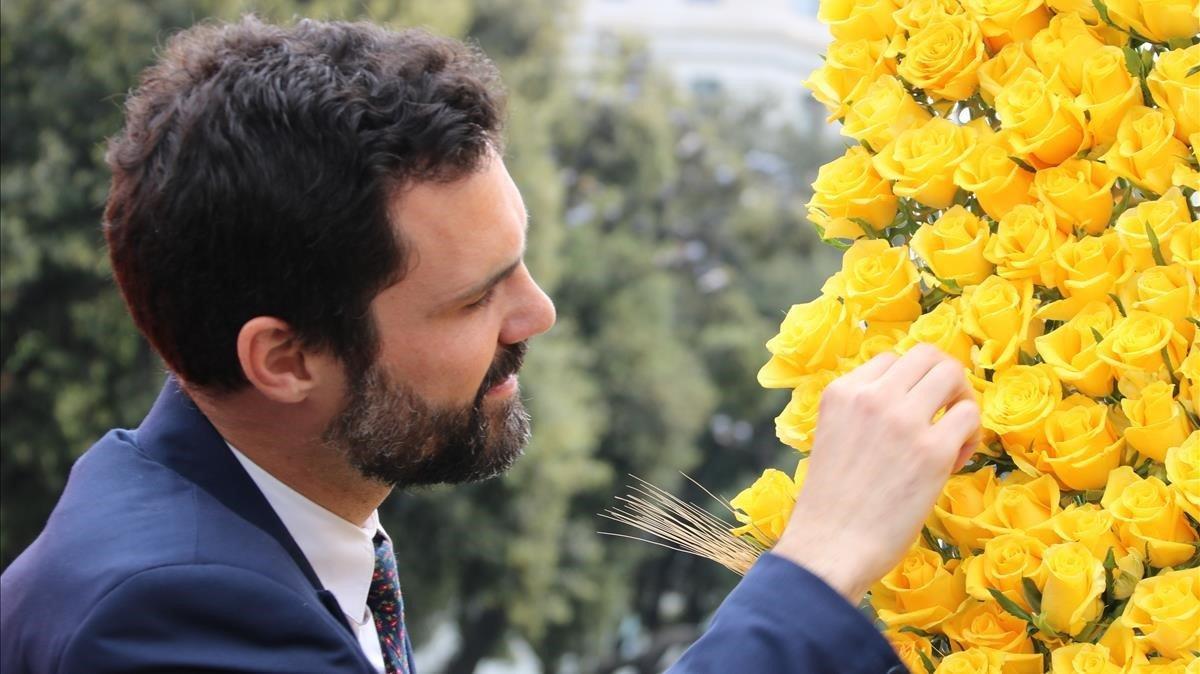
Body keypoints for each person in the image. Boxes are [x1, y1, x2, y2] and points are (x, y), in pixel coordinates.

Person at [0, 17, 980, 674]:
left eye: (520, 262)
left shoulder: (246, 523)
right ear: (286, 358)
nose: (538, 313)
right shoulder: (164, 613)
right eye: (476, 297)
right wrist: (819, 560)